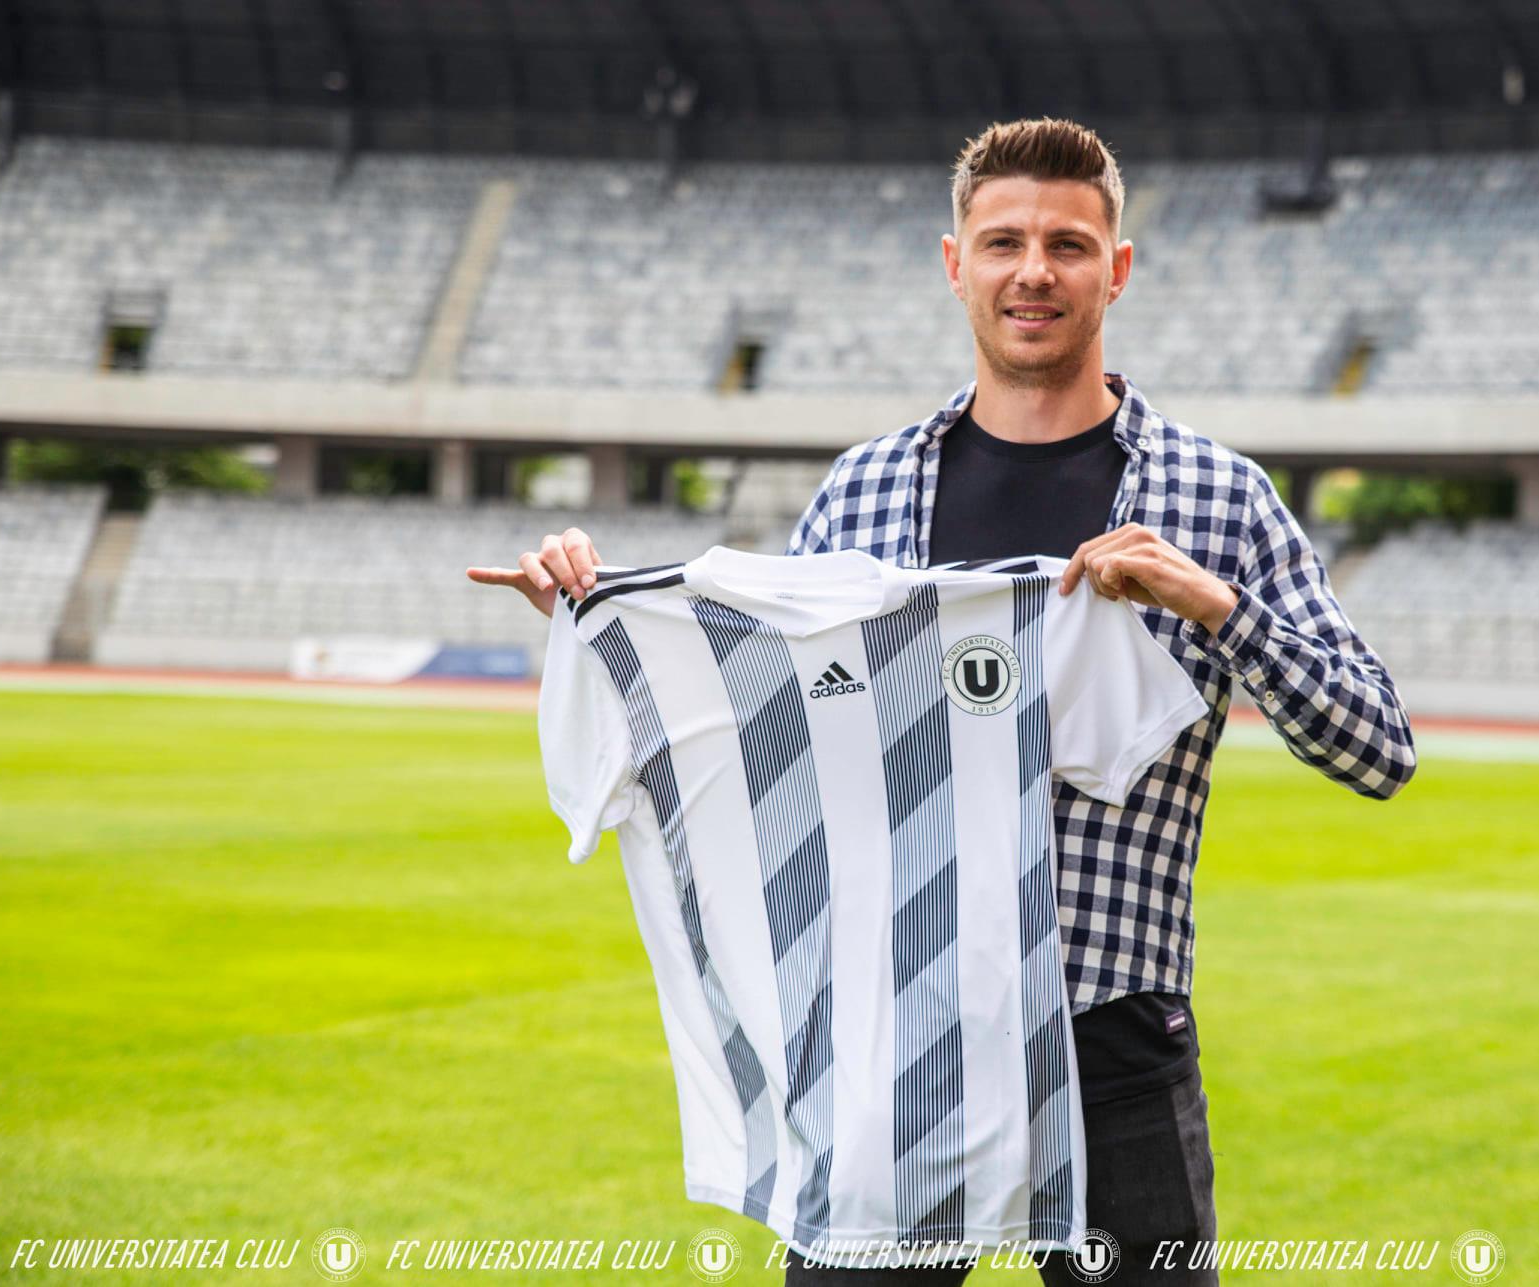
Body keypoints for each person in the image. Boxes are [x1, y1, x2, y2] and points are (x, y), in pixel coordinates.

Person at [470, 116, 1417, 1284]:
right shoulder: (864, 492)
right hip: (896, 1033)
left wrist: (1214, 606)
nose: (1034, 272)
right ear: (955, 263)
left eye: (1068, 245)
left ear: (1117, 268)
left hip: (1110, 1040)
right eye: (1004, 242)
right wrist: (607, 621)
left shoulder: (1213, 497)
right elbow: (773, 737)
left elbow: (1381, 748)